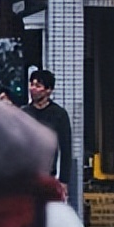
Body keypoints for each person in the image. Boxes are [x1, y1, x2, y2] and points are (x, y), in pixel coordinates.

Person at [21, 68, 73, 198]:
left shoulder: (59, 114)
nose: (33, 88)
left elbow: (66, 149)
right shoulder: (23, 112)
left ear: (48, 90)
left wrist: (64, 180)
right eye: (31, 84)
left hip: (48, 175)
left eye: (38, 86)